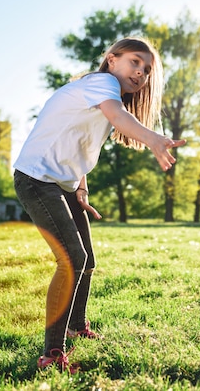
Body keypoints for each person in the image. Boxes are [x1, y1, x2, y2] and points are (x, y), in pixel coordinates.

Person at [13, 37, 186, 372]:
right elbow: (120, 117)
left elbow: (76, 142)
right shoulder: (102, 84)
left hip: (62, 185)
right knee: (72, 260)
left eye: (147, 69)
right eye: (135, 62)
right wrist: (153, 139)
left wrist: (81, 188)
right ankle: (52, 354)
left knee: (87, 260)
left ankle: (78, 326)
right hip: (36, 179)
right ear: (111, 60)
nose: (141, 72)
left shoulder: (102, 96)